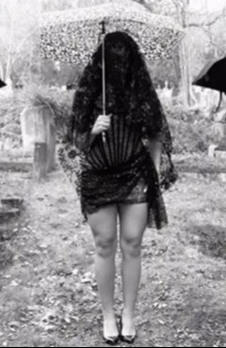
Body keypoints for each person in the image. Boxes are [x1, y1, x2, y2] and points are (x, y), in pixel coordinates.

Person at [60, 32, 176, 344]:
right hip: (98, 175)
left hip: (135, 175)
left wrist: (152, 171)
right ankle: (108, 313)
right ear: (102, 58)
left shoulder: (140, 91)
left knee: (133, 243)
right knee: (104, 244)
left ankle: (129, 313)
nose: (119, 61)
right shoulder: (88, 92)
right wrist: (93, 130)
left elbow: (156, 133)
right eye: (113, 55)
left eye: (124, 55)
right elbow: (74, 143)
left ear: (133, 58)